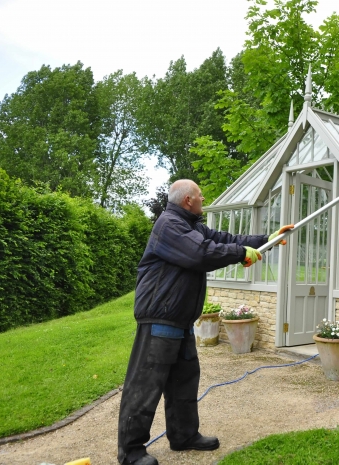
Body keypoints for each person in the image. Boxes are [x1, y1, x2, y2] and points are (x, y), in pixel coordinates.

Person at [117, 179, 292, 465]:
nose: (203, 198)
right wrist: (239, 255)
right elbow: (200, 253)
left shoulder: (191, 226)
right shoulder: (168, 226)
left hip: (182, 320)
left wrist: (265, 240)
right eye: (200, 195)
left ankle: (184, 435)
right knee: (145, 387)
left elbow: (223, 240)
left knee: (184, 382)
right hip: (160, 319)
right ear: (188, 200)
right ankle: (131, 452)